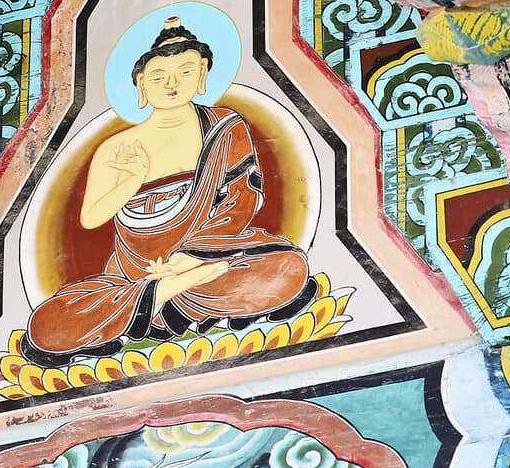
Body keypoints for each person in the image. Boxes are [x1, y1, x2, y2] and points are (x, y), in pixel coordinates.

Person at [28, 19, 313, 357]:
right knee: (47, 326)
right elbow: (91, 218)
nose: (172, 84)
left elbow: (241, 200)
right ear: (141, 83)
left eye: (186, 71)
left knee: (288, 269)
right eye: (159, 76)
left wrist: (189, 258)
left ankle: (150, 304)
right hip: (131, 275)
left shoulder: (224, 128)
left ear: (203, 72)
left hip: (209, 257)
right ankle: (163, 293)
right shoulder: (116, 147)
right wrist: (132, 180)